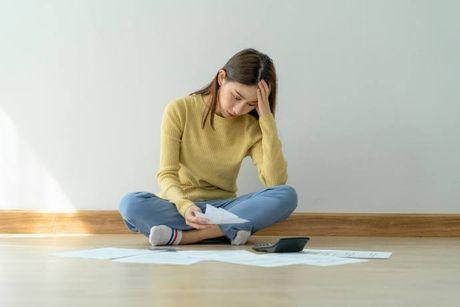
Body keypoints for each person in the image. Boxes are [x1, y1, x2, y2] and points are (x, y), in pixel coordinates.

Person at [118, 48, 298, 246]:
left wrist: (266, 119)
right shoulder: (180, 109)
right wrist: (185, 206)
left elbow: (275, 181)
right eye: (237, 97)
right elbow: (166, 174)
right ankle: (227, 230)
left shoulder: (251, 127)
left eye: (251, 104)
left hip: (225, 208)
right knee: (131, 204)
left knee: (286, 195)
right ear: (222, 77)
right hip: (181, 206)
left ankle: (186, 237)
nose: (239, 109)